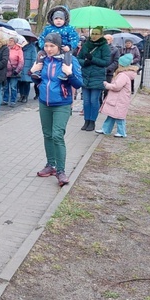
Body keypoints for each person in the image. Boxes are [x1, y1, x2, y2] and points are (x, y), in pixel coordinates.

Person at [32, 33, 83, 187]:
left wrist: (69, 74)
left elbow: (79, 83)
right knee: (47, 135)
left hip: (62, 103)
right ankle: (50, 165)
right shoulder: (43, 60)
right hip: (44, 103)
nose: (48, 49)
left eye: (52, 46)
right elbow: (39, 79)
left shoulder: (69, 60)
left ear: (59, 46)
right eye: (46, 46)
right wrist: (33, 72)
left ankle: (61, 171)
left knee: (57, 135)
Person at [31, 6, 80, 80]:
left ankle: (64, 73)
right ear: (52, 19)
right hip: (49, 48)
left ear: (65, 20)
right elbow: (41, 38)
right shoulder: (48, 29)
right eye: (56, 18)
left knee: (68, 57)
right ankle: (38, 71)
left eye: (61, 19)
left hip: (64, 48)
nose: (58, 21)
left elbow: (75, 39)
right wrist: (43, 46)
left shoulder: (69, 29)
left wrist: (69, 46)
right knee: (40, 54)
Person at [77, 26, 110, 131]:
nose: (94, 36)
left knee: (93, 100)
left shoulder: (104, 47)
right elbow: (78, 59)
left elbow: (106, 62)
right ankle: (86, 121)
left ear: (101, 35)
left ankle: (92, 122)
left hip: (97, 76)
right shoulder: (86, 45)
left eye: (97, 34)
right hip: (86, 76)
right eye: (93, 33)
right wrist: (84, 62)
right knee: (86, 101)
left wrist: (93, 59)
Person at [96, 53, 137, 137]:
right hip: (119, 98)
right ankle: (105, 129)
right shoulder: (125, 74)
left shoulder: (122, 75)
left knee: (119, 117)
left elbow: (117, 87)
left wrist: (107, 85)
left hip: (119, 99)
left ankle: (122, 132)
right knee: (112, 115)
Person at [2, 36, 24, 107]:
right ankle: (5, 100)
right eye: (9, 40)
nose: (10, 42)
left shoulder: (19, 50)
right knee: (5, 86)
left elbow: (21, 61)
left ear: (15, 42)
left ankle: (12, 101)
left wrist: (17, 70)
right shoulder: (6, 48)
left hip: (14, 71)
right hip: (6, 71)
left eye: (11, 40)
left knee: (13, 87)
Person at [17, 37, 37, 103]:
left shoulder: (32, 48)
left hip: (28, 67)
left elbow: (34, 59)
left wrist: (31, 68)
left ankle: (25, 96)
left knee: (26, 82)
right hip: (21, 66)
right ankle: (21, 95)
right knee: (20, 82)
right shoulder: (20, 47)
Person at [103, 34, 120, 100]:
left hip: (108, 72)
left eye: (108, 39)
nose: (106, 41)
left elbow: (116, 61)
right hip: (99, 72)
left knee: (107, 90)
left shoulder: (115, 50)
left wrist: (108, 69)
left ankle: (105, 104)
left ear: (111, 40)